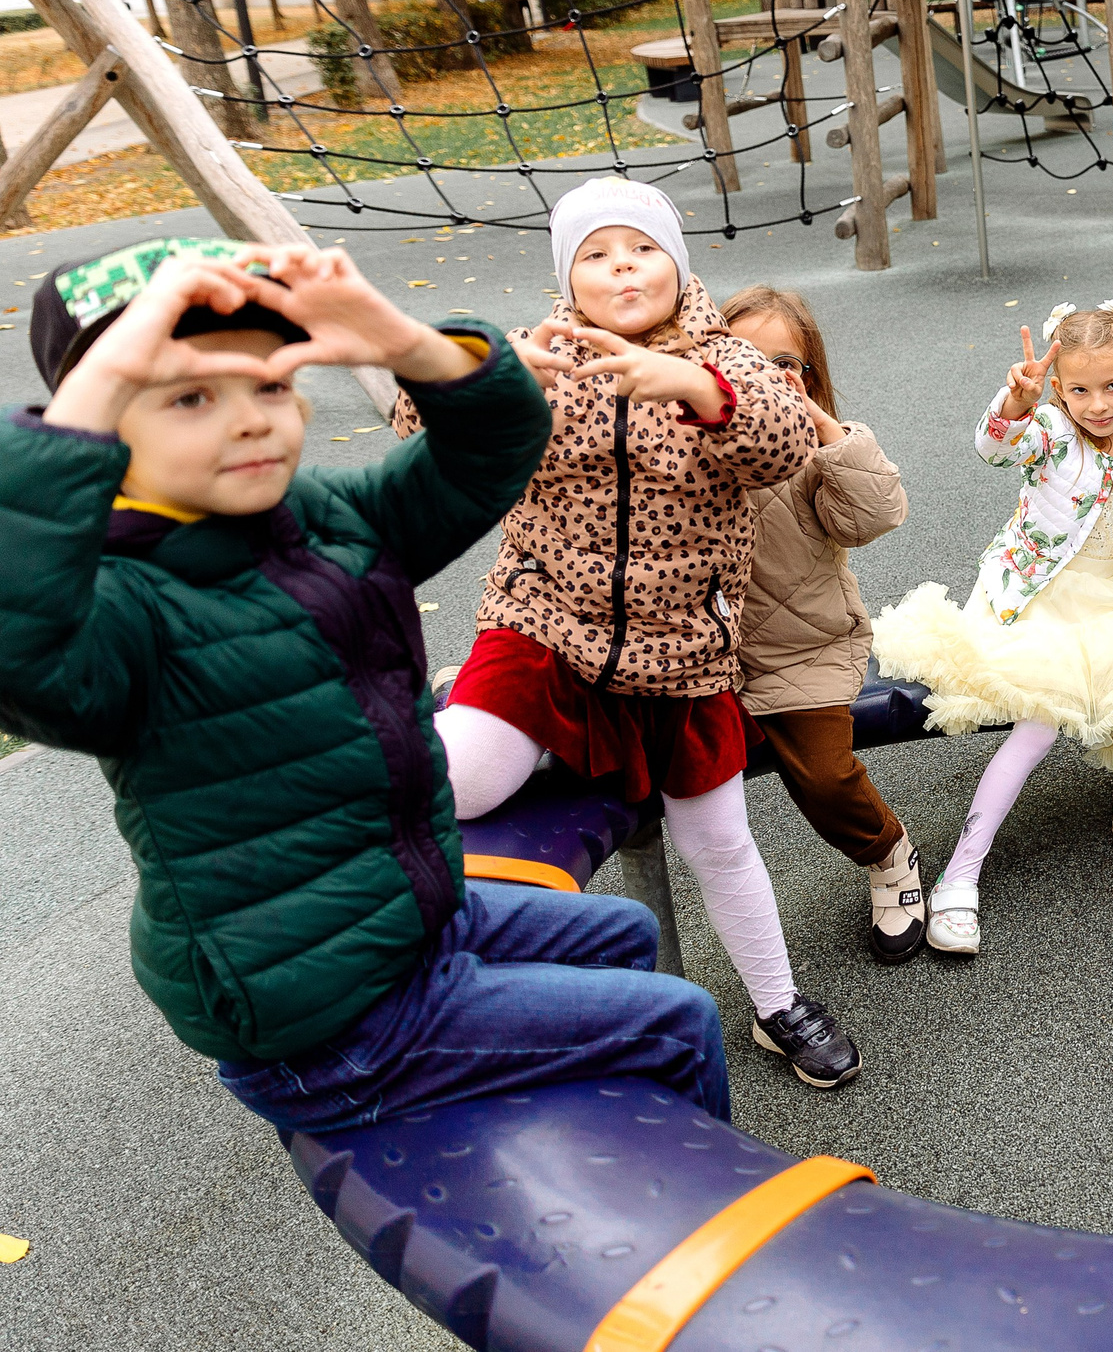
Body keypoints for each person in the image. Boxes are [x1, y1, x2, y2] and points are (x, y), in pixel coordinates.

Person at [0, 237, 727, 1131]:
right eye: (190, 395)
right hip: (322, 1014)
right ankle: (665, 1232)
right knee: (680, 1022)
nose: (251, 419)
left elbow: (491, 447)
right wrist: (102, 374)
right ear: (98, 427)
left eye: (270, 384)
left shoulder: (325, 524)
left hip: (403, 916)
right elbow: (19, 638)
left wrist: (397, 338)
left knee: (626, 934)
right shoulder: (117, 605)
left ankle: (589, 1129)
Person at [421, 177, 856, 1091]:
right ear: (567, 280)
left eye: (643, 248)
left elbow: (781, 440)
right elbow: (417, 420)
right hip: (544, 626)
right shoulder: (544, 354)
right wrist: (483, 376)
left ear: (677, 264)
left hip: (681, 655)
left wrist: (691, 382)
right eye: (596, 253)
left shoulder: (728, 357)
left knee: (720, 842)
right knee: (460, 780)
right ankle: (469, 731)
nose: (623, 265)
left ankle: (777, 1003)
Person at [871, 300, 1113, 956]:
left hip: (1112, 595)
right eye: (1080, 389)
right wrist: (1013, 401)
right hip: (1032, 594)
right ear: (1058, 388)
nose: (1097, 403)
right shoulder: (1047, 429)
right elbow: (994, 446)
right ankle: (961, 871)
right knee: (1038, 720)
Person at [723, 284, 925, 965]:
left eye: (783, 363)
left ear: (809, 377)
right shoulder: (682, 439)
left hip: (800, 649)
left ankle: (887, 849)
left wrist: (823, 428)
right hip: (703, 656)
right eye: (740, 357)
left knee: (824, 774)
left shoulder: (815, 449)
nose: (761, 375)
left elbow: (875, 515)